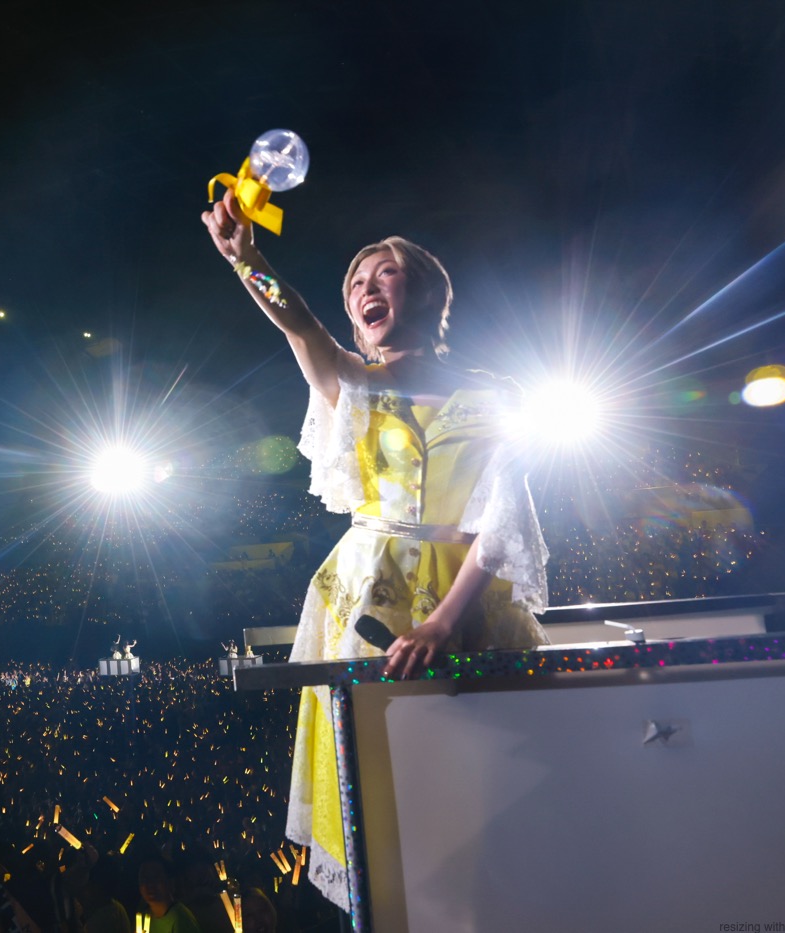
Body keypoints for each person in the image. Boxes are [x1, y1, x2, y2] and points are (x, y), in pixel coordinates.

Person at [203, 190, 550, 908]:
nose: (367, 287)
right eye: (356, 282)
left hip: (468, 600)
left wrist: (442, 622)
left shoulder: (497, 395)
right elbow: (298, 322)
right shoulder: (352, 385)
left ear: (427, 291)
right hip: (366, 596)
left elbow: (503, 520)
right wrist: (247, 260)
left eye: (384, 273)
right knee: (375, 775)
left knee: (483, 775)